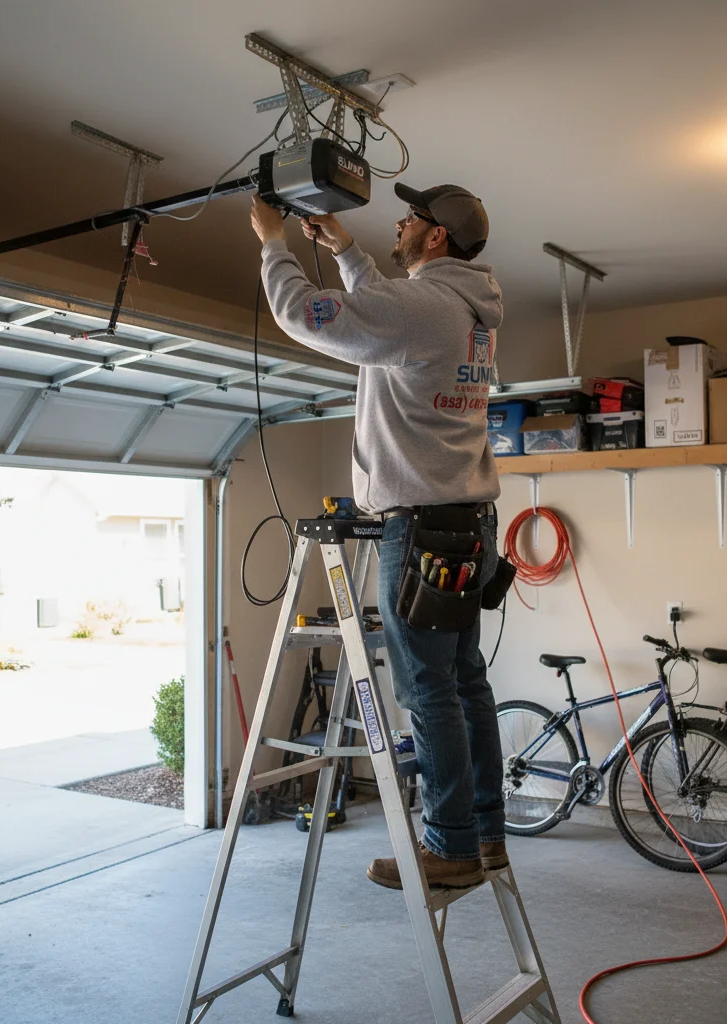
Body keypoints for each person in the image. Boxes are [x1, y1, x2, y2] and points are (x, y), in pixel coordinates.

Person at [250, 183, 506, 890]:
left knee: (429, 691)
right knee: (462, 683)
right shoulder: (468, 309)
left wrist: (275, 244)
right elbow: (396, 315)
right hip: (467, 525)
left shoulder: (421, 305)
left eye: (413, 218)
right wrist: (348, 252)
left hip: (420, 528)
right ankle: (485, 832)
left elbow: (307, 314)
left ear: (435, 240)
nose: (401, 220)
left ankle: (449, 846)